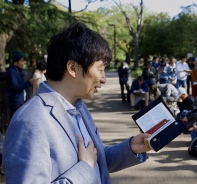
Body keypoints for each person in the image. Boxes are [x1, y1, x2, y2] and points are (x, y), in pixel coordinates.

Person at [3, 22, 151, 184]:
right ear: (72, 68)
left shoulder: (79, 107)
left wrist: (130, 148)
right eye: (100, 70)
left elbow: (97, 158)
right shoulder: (30, 121)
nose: (104, 79)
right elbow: (88, 165)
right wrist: (84, 169)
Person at [5, 50, 35, 118]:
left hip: (21, 101)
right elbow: (15, 87)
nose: (23, 63)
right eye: (21, 61)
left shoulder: (18, 71)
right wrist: (28, 83)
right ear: (15, 62)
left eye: (24, 61)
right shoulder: (11, 72)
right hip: (16, 103)